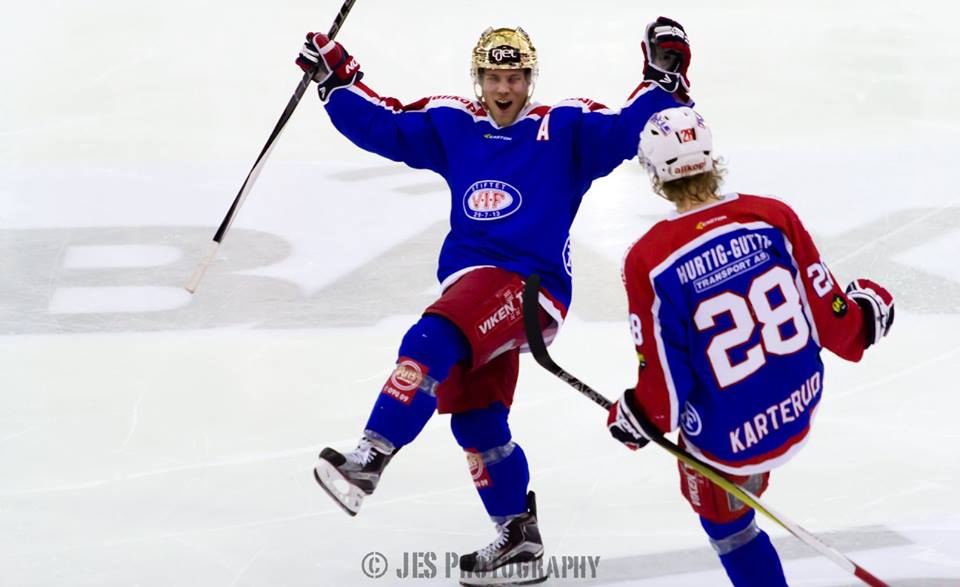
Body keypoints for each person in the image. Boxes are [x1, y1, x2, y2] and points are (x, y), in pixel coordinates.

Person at [296, 18, 693, 584]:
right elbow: (385, 125)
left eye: (516, 77)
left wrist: (663, 79)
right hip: (473, 292)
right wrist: (336, 81)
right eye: (493, 77)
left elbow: (631, 126)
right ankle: (517, 540)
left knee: (430, 339)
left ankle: (369, 458)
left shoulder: (565, 128)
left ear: (531, 79)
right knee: (477, 422)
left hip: (532, 290)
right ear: (477, 78)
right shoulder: (455, 123)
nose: (504, 89)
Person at [606, 106, 896, 586]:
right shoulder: (771, 215)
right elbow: (837, 322)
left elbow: (664, 396)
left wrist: (634, 418)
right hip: (800, 401)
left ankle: (738, 513)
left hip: (729, 440)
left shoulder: (648, 258)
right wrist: (867, 312)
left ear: (655, 170)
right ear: (709, 156)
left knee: (729, 529)